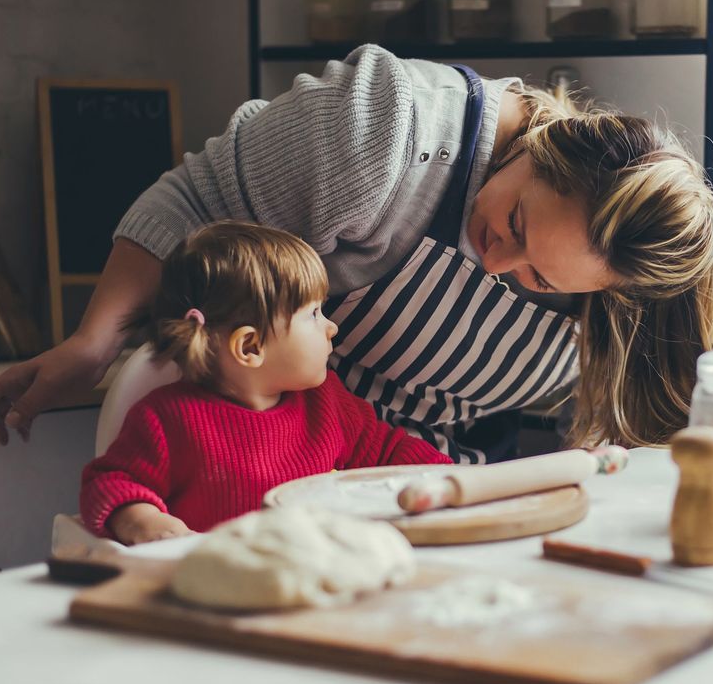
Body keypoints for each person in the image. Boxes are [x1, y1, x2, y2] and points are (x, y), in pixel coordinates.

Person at [0, 45, 713, 461]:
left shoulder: (634, 290)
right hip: (258, 462)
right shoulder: (385, 124)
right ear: (542, 143)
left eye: (539, 280)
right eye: (515, 225)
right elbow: (189, 206)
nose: (497, 267)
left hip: (415, 500)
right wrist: (91, 342)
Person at [81, 222, 451, 545]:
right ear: (251, 346)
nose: (331, 326)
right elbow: (112, 481)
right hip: (216, 592)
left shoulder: (326, 403)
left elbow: (388, 451)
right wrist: (143, 520)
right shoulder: (166, 419)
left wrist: (455, 480)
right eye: (314, 314)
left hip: (316, 572)